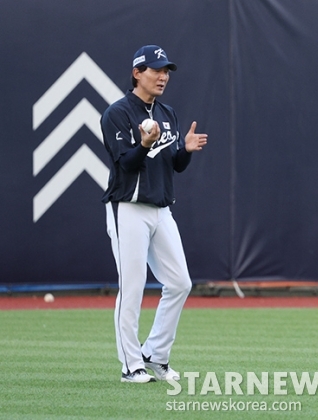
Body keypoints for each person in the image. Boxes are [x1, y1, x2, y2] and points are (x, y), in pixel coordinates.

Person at [101, 45, 208, 383]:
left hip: (161, 209)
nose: (163, 76)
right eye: (156, 69)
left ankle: (155, 354)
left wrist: (186, 151)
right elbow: (126, 164)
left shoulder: (167, 113)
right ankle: (130, 364)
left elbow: (174, 165)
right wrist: (145, 144)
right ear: (137, 72)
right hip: (128, 207)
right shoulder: (117, 113)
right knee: (132, 287)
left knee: (180, 282)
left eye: (166, 71)